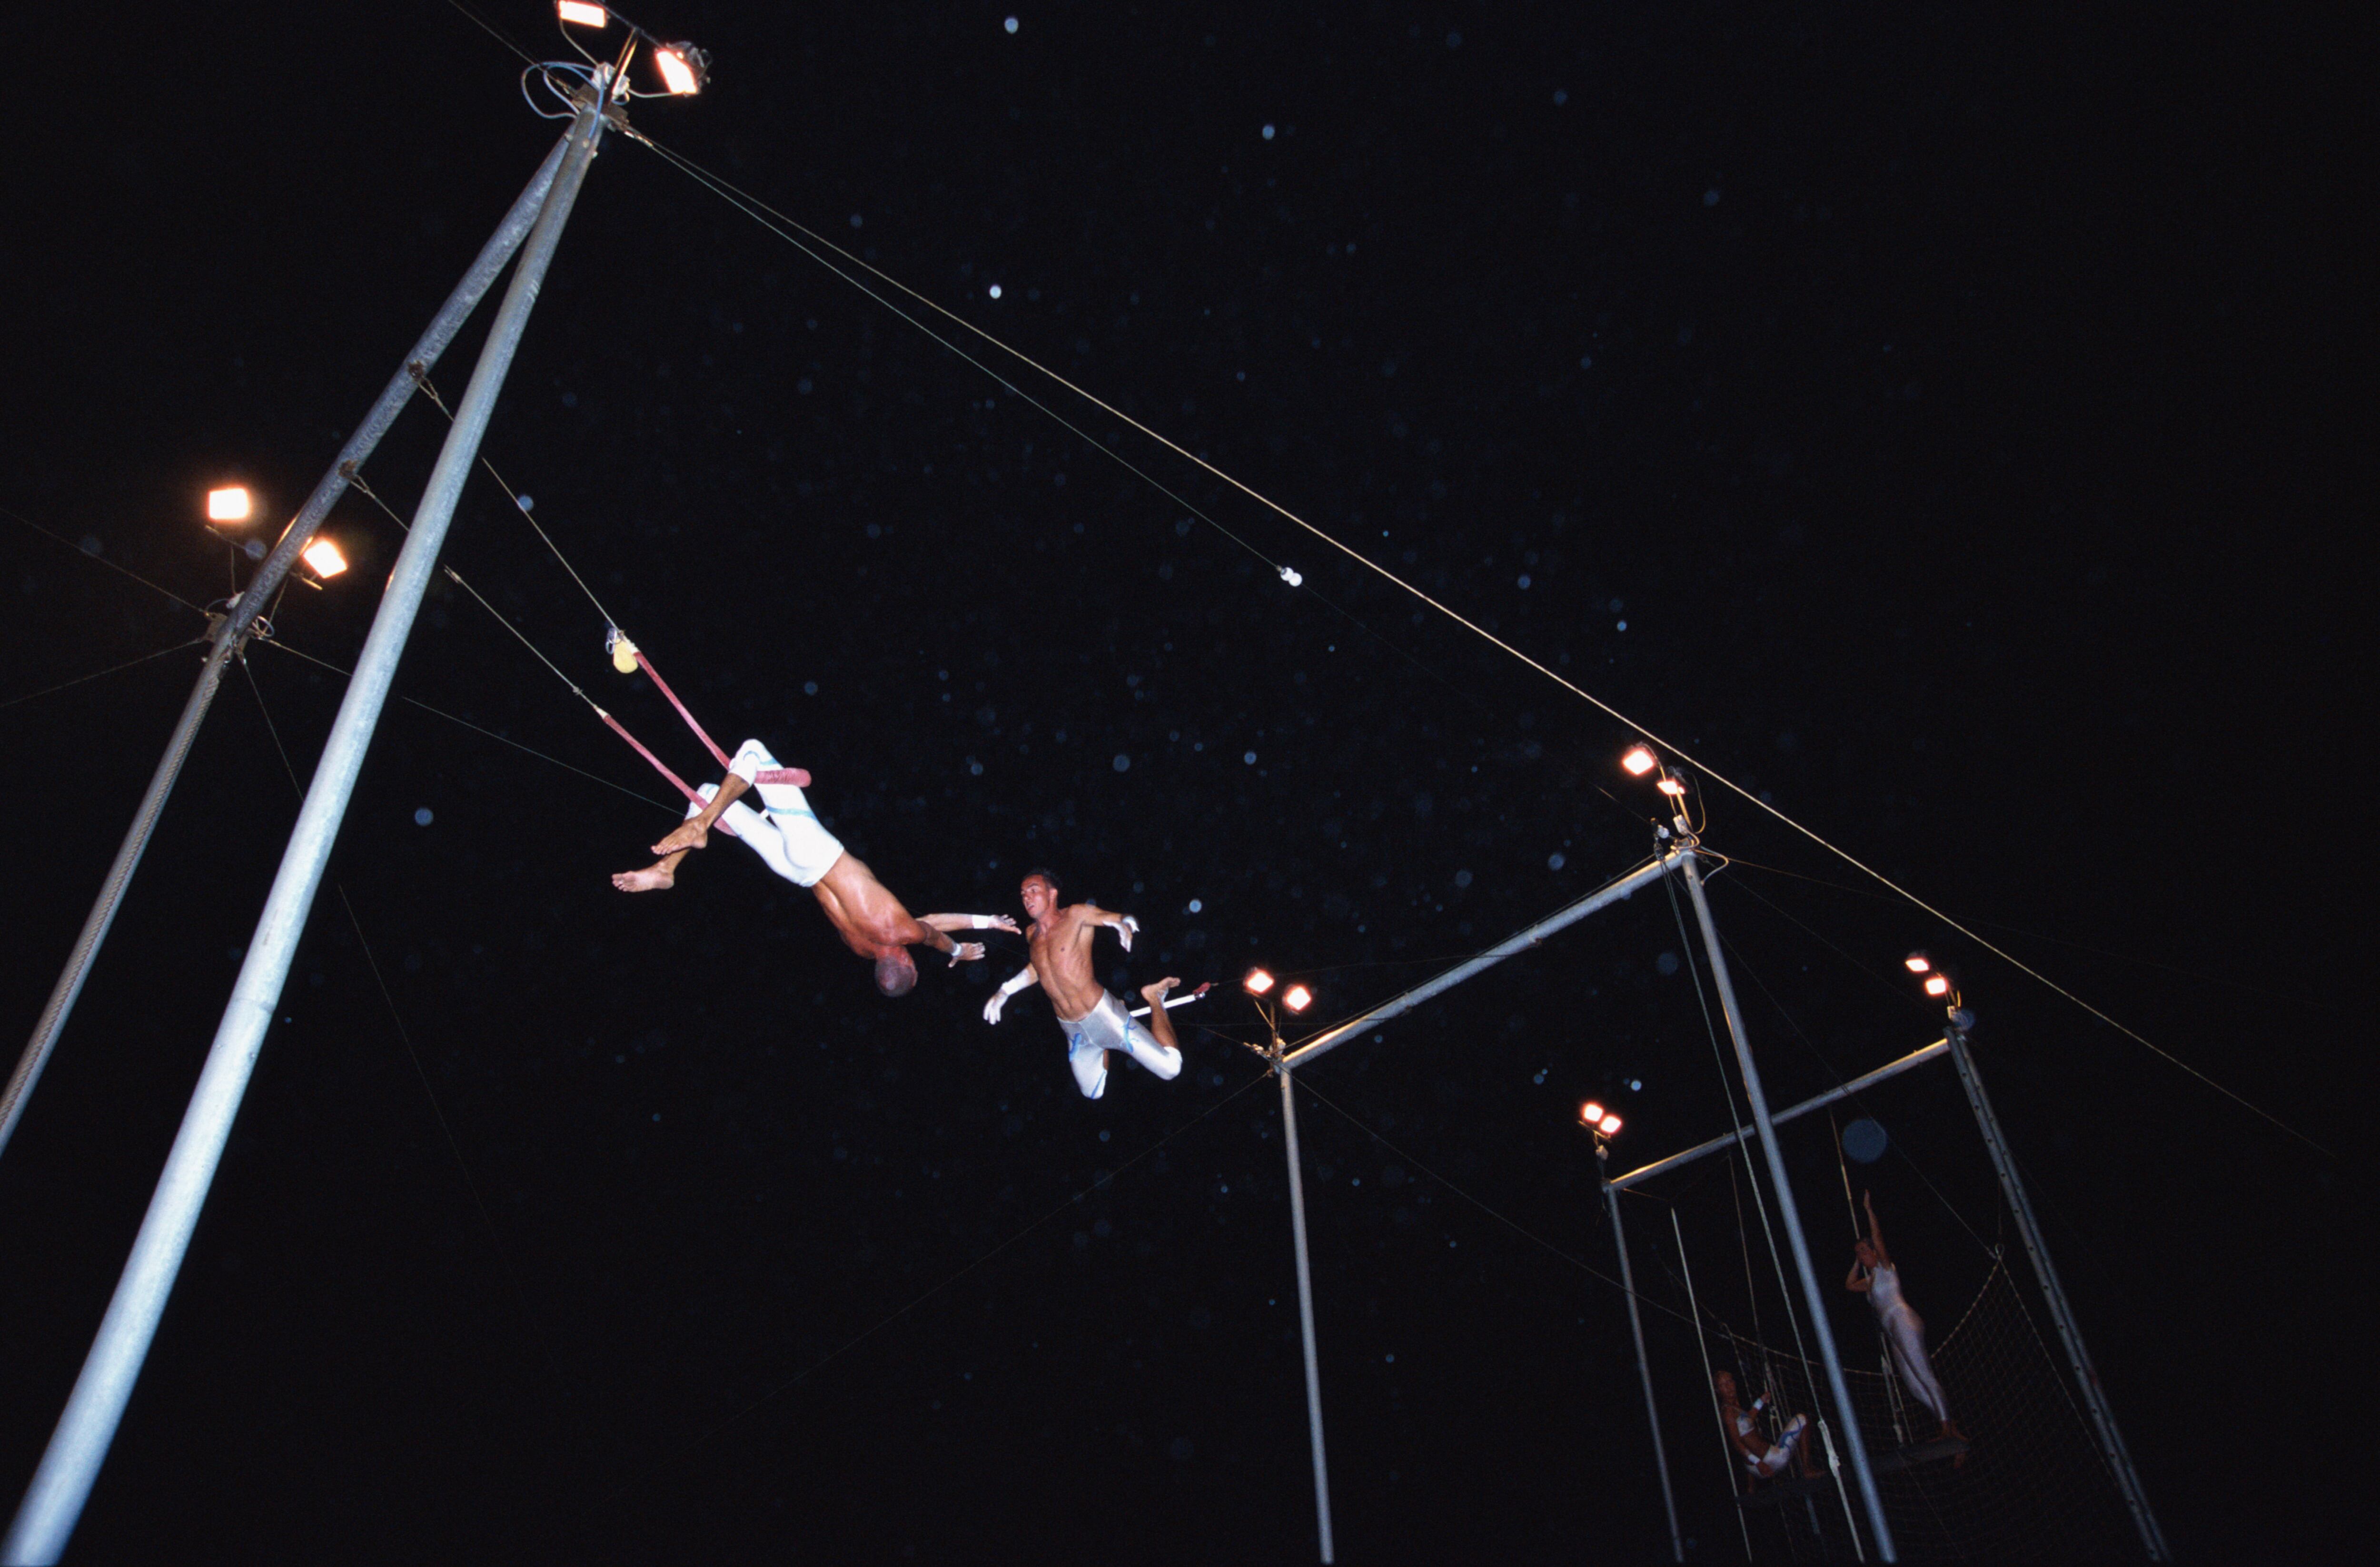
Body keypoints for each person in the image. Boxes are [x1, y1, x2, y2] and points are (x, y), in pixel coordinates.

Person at [612, 738, 1016, 995]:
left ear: (907, 961)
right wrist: (987, 924)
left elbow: (934, 934)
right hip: (795, 872)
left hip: (815, 853)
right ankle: (667, 870)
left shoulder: (903, 932)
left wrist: (960, 950)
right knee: (707, 792)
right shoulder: (862, 946)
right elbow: (924, 925)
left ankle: (700, 826)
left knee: (752, 751)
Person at [980, 869, 1200, 1098]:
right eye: (1023, 893)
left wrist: (1125, 922)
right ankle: (1107, 1035)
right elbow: (1040, 967)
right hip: (1072, 1030)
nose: (1027, 897)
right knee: (1093, 1092)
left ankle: (1155, 997)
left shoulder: (1076, 915)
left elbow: (1114, 917)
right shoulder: (1031, 933)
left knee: (1171, 1069)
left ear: (1052, 894)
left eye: (1033, 890)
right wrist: (1005, 991)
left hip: (1103, 1015)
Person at [1846, 1189, 1968, 1450]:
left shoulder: (1886, 1269)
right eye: (1859, 1253)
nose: (1862, 1255)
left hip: (1903, 1319)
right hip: (1892, 1331)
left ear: (1874, 1252)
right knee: (1913, 1385)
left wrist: (1869, 1211)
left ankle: (1946, 1427)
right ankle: (1950, 1426)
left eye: (1864, 1251)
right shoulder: (1870, 1281)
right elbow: (1849, 1285)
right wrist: (1857, 1261)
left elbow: (1878, 1239)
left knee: (1924, 1374)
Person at [1714, 1369, 1811, 1487]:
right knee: (1802, 1419)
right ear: (1718, 1391)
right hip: (1769, 1462)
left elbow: (1748, 1420)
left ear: (1734, 1383)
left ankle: (1753, 1486)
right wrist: (1759, 1463)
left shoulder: (1735, 1408)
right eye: (1723, 1385)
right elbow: (1736, 1442)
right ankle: (1807, 1469)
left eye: (1729, 1382)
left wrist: (1761, 1401)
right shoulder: (1728, 1411)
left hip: (1756, 1467)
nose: (1728, 1387)